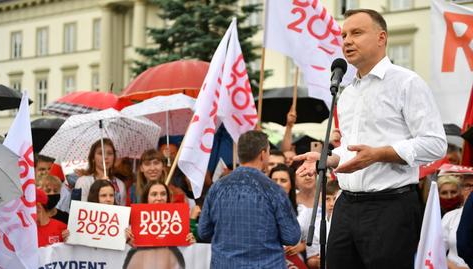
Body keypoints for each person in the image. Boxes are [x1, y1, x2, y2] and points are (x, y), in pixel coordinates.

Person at [294, 9, 447, 269]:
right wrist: (329, 159)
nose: (347, 41)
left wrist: (380, 154)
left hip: (390, 206)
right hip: (346, 206)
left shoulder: (407, 83)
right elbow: (354, 149)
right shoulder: (347, 92)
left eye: (356, 33)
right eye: (343, 35)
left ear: (381, 37)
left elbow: (435, 144)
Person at [198, 130, 301, 268]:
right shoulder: (273, 189)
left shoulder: (216, 188)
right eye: (269, 152)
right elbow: (292, 236)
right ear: (263, 154)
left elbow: (203, 232)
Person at [74, 138, 126, 205]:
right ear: (93, 158)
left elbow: (122, 212)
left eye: (110, 153)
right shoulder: (83, 182)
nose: (106, 157)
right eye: (100, 153)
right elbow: (80, 210)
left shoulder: (120, 185)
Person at [442, 175, 473, 269]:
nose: (472, 190)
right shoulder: (450, 216)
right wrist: (453, 267)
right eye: (468, 186)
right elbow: (433, 249)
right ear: (461, 190)